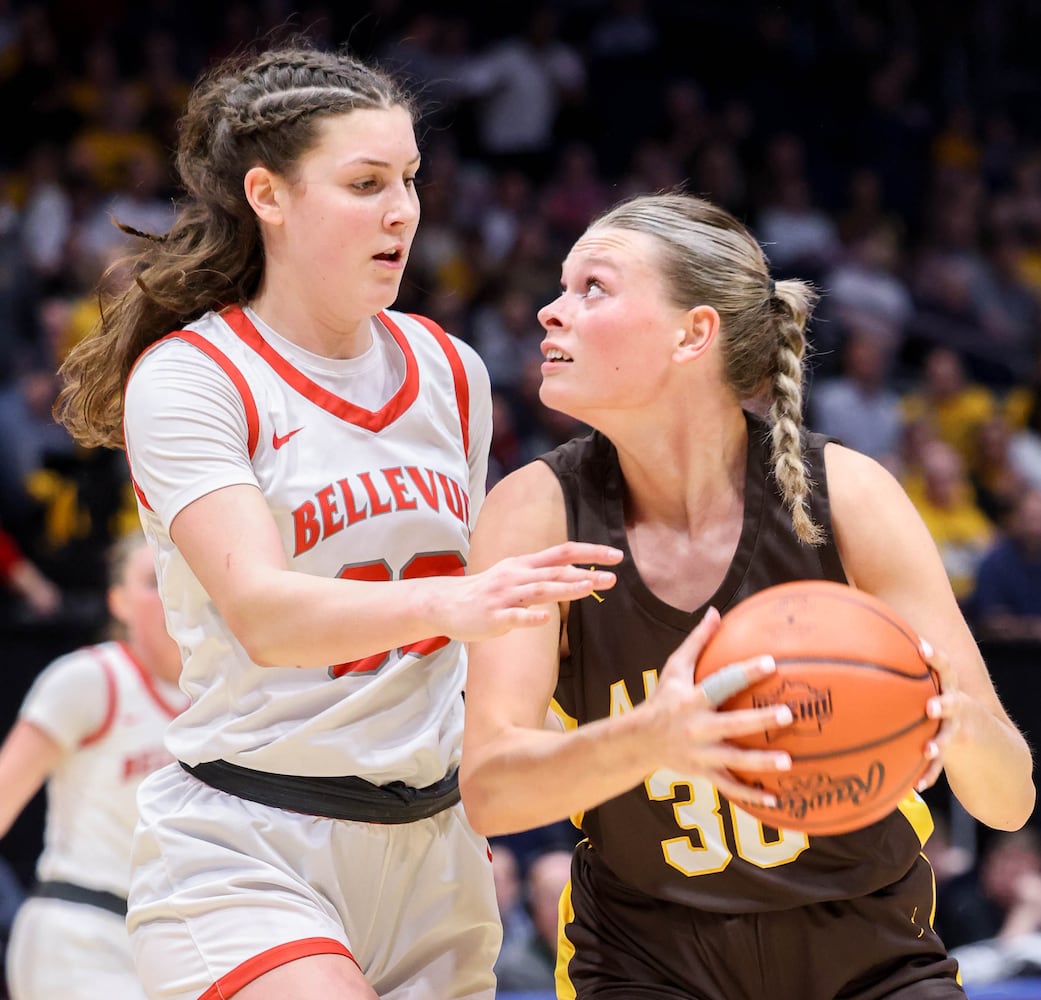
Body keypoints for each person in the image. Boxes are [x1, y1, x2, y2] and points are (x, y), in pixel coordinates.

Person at [53, 41, 624, 1000]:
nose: (401, 210)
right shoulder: (195, 377)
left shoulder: (449, 369)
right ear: (268, 195)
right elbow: (268, 617)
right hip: (250, 842)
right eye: (364, 183)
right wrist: (465, 601)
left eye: (408, 179)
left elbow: (483, 639)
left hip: (434, 850)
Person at [459, 191, 1035, 999]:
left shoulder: (848, 495)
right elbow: (489, 790)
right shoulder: (533, 510)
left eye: (592, 287)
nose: (551, 313)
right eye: (559, 288)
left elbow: (1008, 801)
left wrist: (956, 726)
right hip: (643, 960)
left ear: (693, 332)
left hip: (867, 954)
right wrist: (654, 739)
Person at [0, 531, 187, 1000]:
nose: (168, 590)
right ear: (118, 602)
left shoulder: (224, 697)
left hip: (172, 942)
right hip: (78, 932)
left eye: (178, 575)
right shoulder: (91, 677)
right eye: (150, 580)